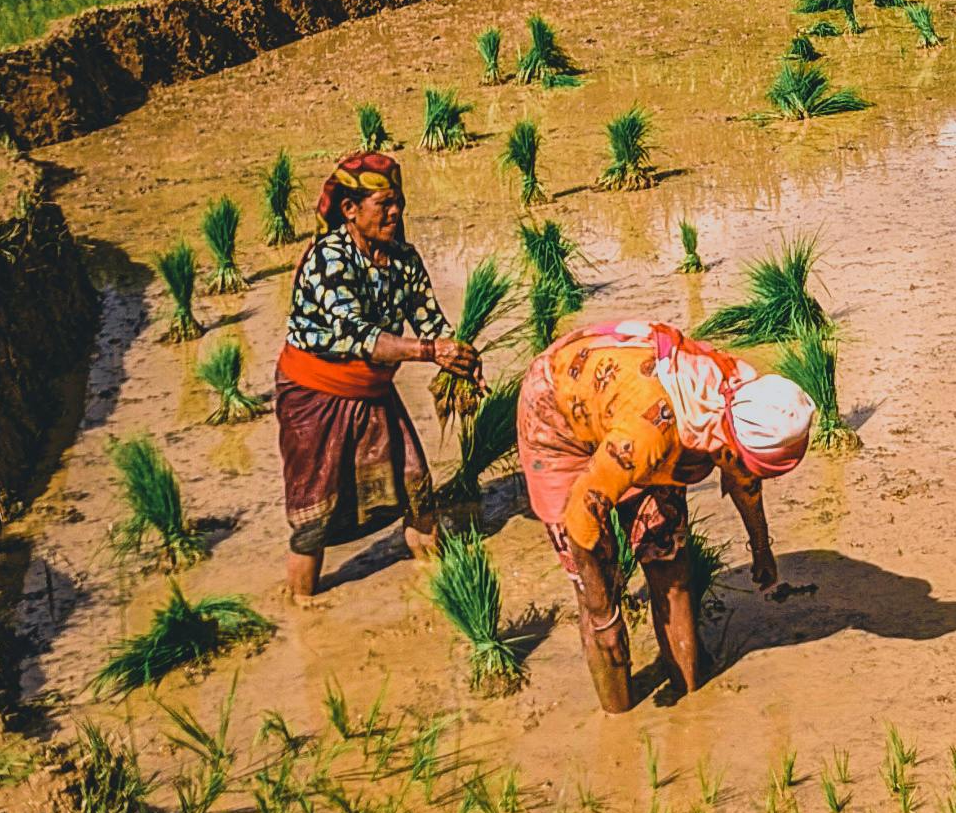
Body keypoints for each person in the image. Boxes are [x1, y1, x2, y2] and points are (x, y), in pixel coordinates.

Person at [519, 317, 815, 711]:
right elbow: (580, 518)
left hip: (627, 408)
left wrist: (762, 548)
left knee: (671, 568)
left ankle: (691, 702)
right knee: (595, 588)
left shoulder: (741, 398)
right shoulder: (648, 436)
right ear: (729, 444)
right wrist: (604, 615)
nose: (750, 472)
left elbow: (743, 476)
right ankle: (619, 718)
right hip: (558, 413)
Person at [274, 151, 476, 602]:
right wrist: (429, 352)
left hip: (372, 389)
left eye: (398, 202)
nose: (395, 212)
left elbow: (432, 323)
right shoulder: (328, 259)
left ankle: (441, 590)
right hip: (315, 395)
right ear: (350, 209)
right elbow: (361, 336)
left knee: (418, 492)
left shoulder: (404, 259)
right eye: (383, 204)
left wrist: (458, 357)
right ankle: (303, 609)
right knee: (313, 519)